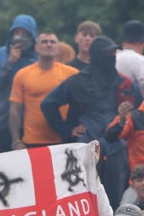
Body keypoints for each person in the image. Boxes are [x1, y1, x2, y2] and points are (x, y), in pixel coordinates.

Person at [40, 35, 133, 205]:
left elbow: (139, 109)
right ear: (97, 56)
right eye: (107, 53)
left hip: (117, 145)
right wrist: (67, 130)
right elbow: (48, 104)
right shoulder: (77, 82)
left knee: (116, 199)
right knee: (85, 196)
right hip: (86, 144)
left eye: (113, 53)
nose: (111, 57)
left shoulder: (123, 82)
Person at [9, 31, 77, 149]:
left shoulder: (72, 74)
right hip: (33, 141)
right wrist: (16, 140)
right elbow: (15, 109)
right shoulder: (23, 74)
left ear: (58, 48)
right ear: (36, 47)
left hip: (64, 140)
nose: (48, 45)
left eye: (52, 42)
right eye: (44, 42)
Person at [115, 20, 144, 89]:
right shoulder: (140, 60)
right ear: (142, 42)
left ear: (123, 41)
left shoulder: (113, 57)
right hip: (132, 99)